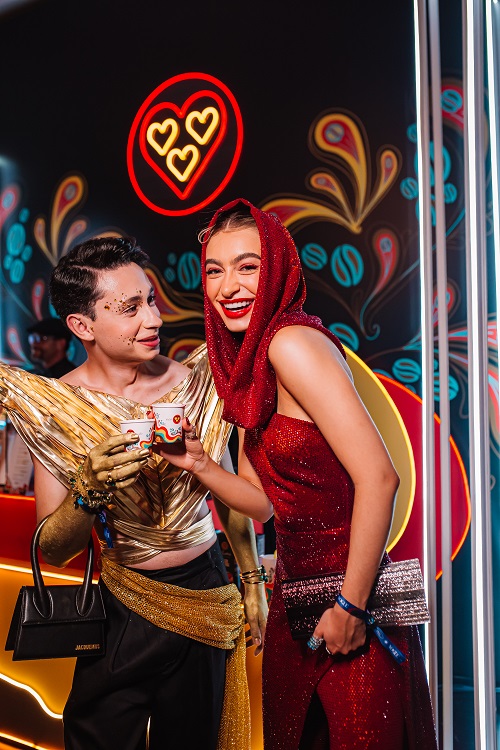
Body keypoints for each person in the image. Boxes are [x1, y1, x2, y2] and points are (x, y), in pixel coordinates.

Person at [155, 199, 438, 749]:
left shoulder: (291, 343)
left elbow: (380, 478)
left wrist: (351, 607)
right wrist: (198, 462)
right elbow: (261, 502)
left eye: (248, 266)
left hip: (351, 600)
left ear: (279, 268)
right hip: (295, 603)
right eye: (214, 270)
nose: (228, 286)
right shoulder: (248, 360)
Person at [0, 236, 266, 750]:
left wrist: (251, 581)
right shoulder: (58, 410)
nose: (154, 319)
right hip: (123, 605)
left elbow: (232, 497)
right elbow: (54, 549)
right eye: (130, 308)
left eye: (151, 300)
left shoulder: (197, 383)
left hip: (206, 596)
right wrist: (88, 489)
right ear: (83, 326)